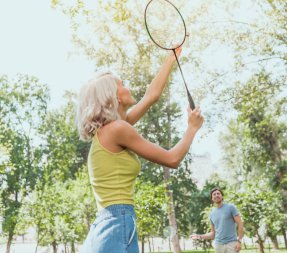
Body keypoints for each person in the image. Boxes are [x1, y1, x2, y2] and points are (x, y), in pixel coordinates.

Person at [76, 46, 204, 253]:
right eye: (122, 84)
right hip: (118, 221)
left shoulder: (112, 129)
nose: (127, 87)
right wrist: (192, 128)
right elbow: (172, 159)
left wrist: (170, 59)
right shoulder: (118, 129)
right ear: (112, 96)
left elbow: (151, 96)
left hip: (107, 223)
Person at [190, 188, 244, 253]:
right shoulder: (212, 213)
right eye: (214, 194)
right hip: (218, 245)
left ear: (222, 196)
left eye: (218, 193)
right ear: (212, 198)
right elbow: (213, 234)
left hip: (231, 243)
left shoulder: (231, 207)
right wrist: (199, 236)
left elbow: (240, 224)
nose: (216, 195)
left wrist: (239, 241)